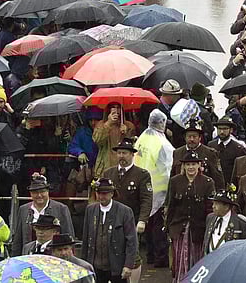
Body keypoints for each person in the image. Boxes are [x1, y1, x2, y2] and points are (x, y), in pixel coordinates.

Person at [134, 110, 175, 269]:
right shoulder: (162, 143)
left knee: (147, 223)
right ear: (162, 124)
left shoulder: (142, 138)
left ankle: (150, 255)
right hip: (159, 188)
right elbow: (168, 167)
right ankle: (160, 257)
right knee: (159, 226)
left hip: (142, 186)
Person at [165, 150, 215, 278]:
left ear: (199, 165)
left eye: (193, 164)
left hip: (198, 229)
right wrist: (168, 228)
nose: (191, 167)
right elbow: (170, 206)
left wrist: (209, 230)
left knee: (197, 260)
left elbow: (210, 209)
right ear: (183, 166)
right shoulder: (175, 181)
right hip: (178, 228)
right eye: (188, 165)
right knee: (179, 261)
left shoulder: (208, 182)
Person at [81, 178, 138, 283]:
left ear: (112, 193)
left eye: (105, 193)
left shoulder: (125, 211)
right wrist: (84, 264)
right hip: (95, 267)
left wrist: (128, 265)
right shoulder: (90, 210)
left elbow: (132, 241)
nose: (102, 196)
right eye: (99, 193)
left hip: (117, 267)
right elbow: (85, 238)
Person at [10, 173, 74, 256]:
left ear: (48, 191)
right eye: (35, 192)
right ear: (30, 193)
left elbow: (69, 237)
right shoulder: (23, 210)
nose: (39, 195)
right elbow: (18, 240)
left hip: (53, 258)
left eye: (42, 192)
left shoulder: (61, 209)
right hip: (28, 257)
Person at [203, 187, 246, 255]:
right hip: (210, 261)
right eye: (213, 203)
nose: (213, 206)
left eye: (216, 204)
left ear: (226, 207)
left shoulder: (241, 223)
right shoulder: (210, 218)